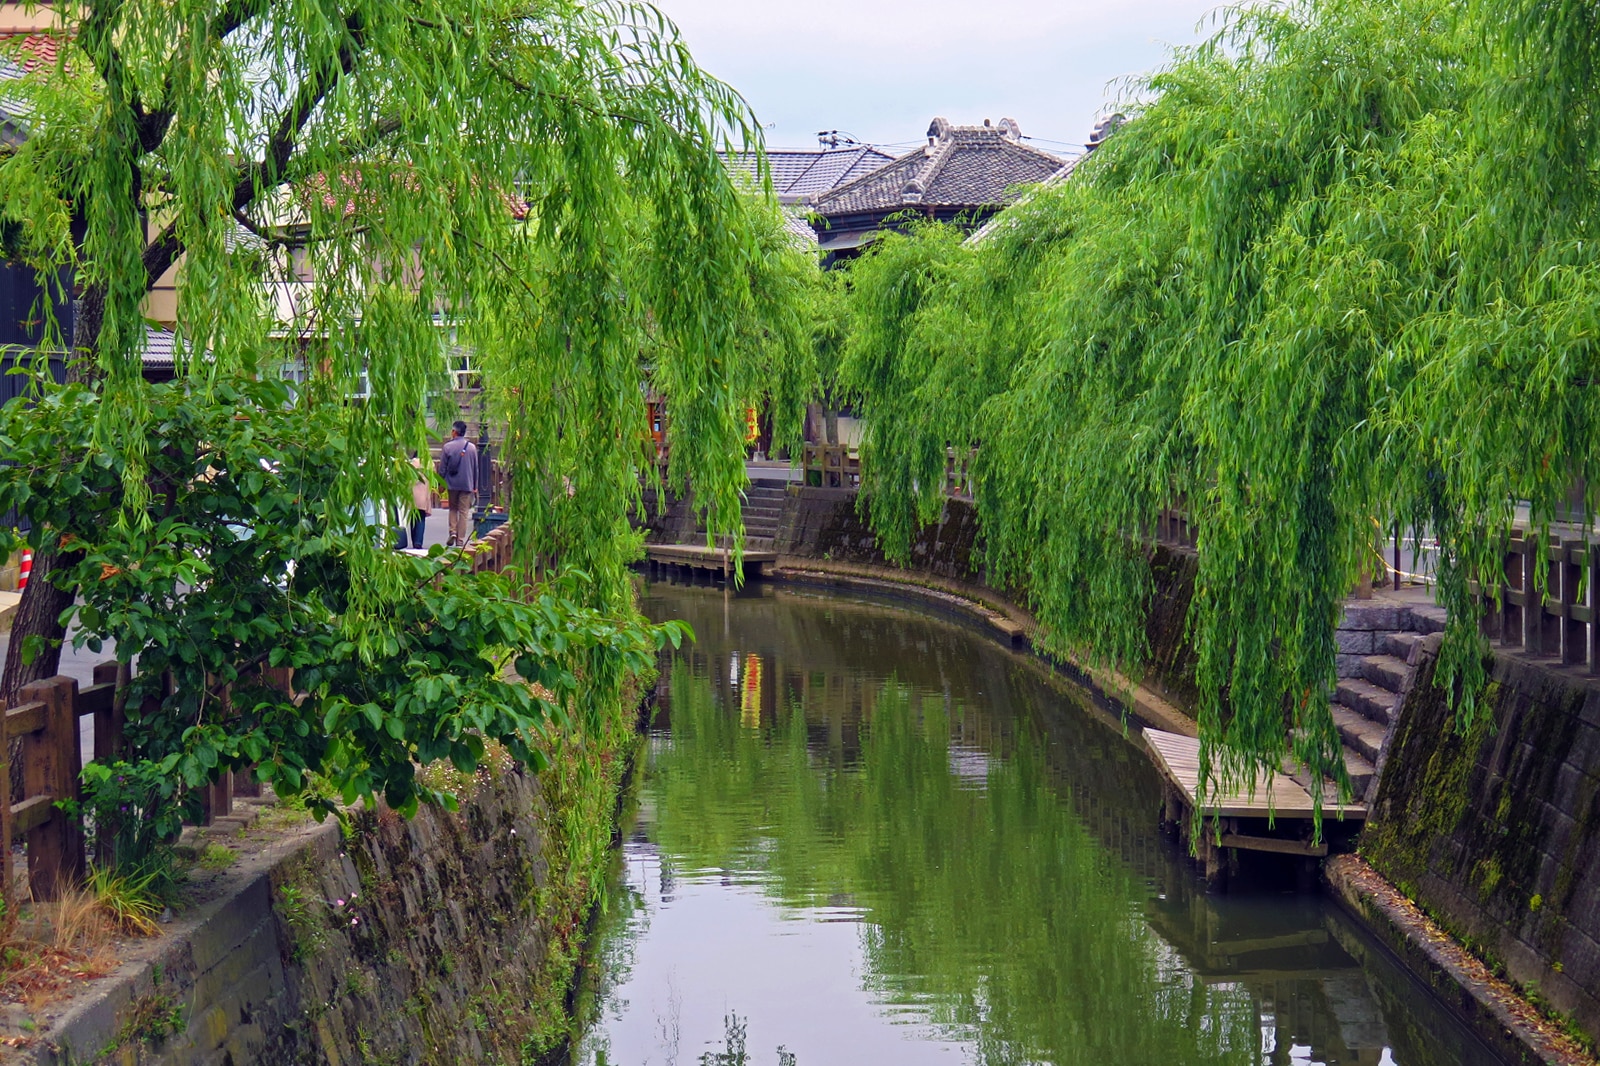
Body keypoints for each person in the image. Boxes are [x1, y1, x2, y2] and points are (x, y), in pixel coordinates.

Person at [437, 420, 479, 547]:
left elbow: (442, 468)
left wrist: (441, 484)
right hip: (467, 484)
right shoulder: (471, 448)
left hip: (452, 484)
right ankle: (460, 540)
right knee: (464, 512)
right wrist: (475, 486)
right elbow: (475, 468)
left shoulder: (447, 447)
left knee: (453, 508)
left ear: (454, 432)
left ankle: (453, 532)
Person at [397, 452, 432, 550]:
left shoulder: (410, 463)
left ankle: (414, 540)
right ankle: (418, 541)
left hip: (412, 494)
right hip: (424, 494)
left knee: (413, 517)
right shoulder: (429, 463)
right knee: (421, 518)